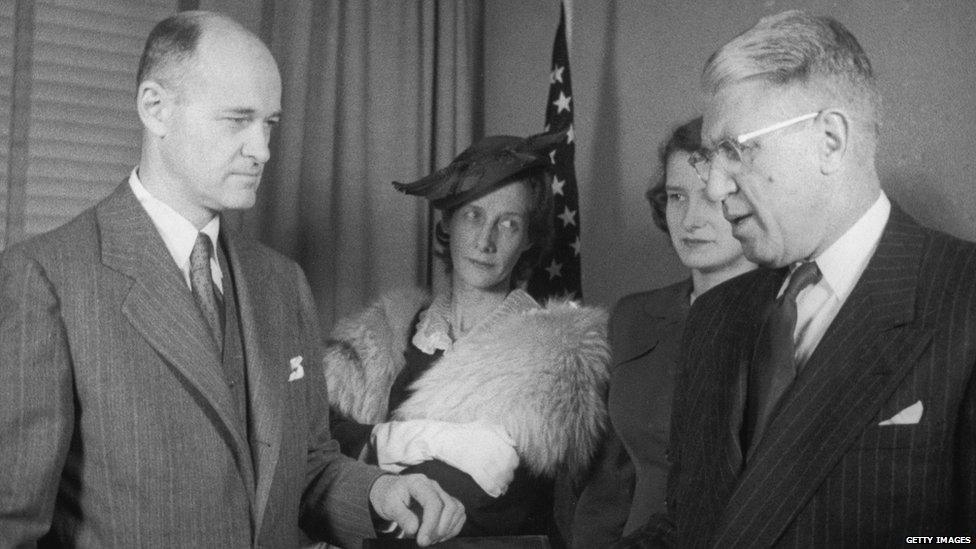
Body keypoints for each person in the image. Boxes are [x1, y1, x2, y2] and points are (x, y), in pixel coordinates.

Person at [0, 11, 464, 548]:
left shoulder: (281, 283)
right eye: (237, 119)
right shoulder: (46, 280)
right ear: (155, 108)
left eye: (269, 124)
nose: (263, 150)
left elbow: (304, 468)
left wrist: (379, 493)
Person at [622, 10, 976, 547]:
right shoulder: (717, 316)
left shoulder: (964, 297)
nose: (715, 189)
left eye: (735, 151)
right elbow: (696, 526)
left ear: (830, 140)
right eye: (709, 160)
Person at [322, 132, 611, 540]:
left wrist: (371, 452)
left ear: (529, 237)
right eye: (473, 215)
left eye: (508, 224)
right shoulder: (388, 334)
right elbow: (315, 453)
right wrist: (400, 440)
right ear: (448, 221)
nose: (485, 241)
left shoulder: (554, 355)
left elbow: (477, 503)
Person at [570, 117, 755, 547]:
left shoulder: (791, 316)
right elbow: (608, 489)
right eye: (676, 196)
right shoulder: (633, 318)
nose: (690, 220)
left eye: (711, 198)